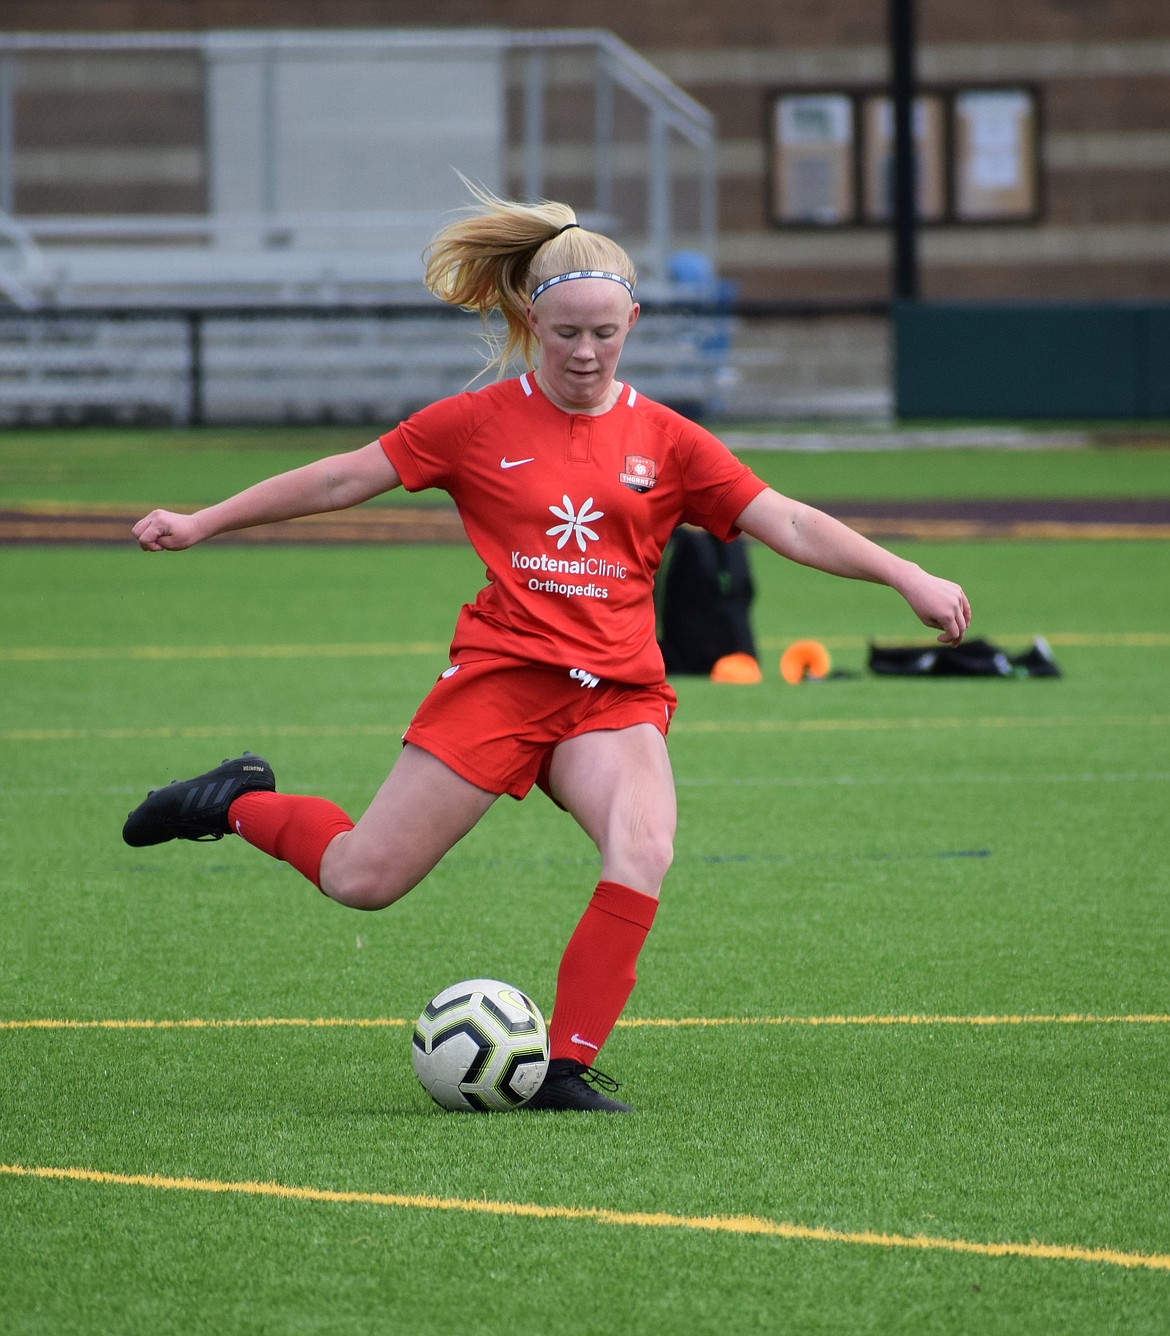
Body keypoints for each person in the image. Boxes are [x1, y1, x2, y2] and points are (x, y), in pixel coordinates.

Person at [123, 186, 971, 1113]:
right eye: (565, 331)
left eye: (605, 332)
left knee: (643, 845)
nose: (584, 352)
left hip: (613, 697)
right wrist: (204, 520)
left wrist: (905, 575)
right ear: (531, 319)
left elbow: (789, 522)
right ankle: (240, 801)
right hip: (501, 680)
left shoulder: (669, 440)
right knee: (363, 879)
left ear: (633, 322)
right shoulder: (474, 423)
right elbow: (340, 477)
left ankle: (564, 1068)